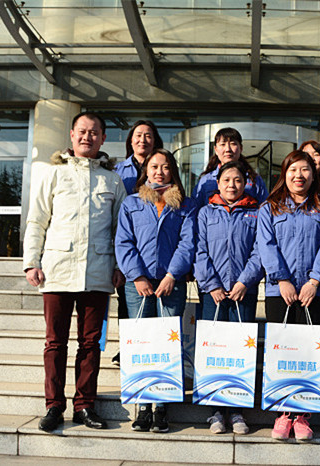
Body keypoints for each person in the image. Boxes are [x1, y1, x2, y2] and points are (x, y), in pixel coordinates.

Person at [23, 112, 127, 432]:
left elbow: (120, 230)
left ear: (103, 138)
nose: (87, 137)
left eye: (94, 132)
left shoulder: (112, 180)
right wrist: (32, 261)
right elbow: (37, 220)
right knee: (55, 343)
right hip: (57, 270)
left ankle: (85, 405)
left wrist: (119, 266)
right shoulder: (53, 174)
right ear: (71, 135)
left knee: (90, 344)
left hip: (97, 271)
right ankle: (54, 405)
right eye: (82, 131)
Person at [257, 150, 320, 441]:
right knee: (281, 352)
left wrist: (315, 281)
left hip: (312, 292)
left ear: (313, 175)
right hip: (279, 291)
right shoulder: (270, 207)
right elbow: (266, 245)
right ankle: (282, 413)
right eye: (293, 170)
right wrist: (282, 279)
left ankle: (302, 414)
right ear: (284, 174)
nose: (298, 175)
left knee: (307, 353)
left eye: (305, 170)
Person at [115, 148, 197, 434]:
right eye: (154, 167)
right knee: (141, 343)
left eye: (165, 167)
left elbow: (187, 243)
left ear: (173, 170)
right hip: (138, 285)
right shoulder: (132, 203)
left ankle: (161, 406)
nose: (159, 172)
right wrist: (137, 276)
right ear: (146, 171)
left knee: (166, 344)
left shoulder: (184, 204)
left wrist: (173, 275)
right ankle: (142, 405)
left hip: (171, 284)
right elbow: (124, 242)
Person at [193, 160, 264, 435]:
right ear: (218, 184)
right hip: (213, 293)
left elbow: (259, 251)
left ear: (245, 183)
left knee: (239, 350)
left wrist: (245, 281)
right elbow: (199, 251)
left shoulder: (256, 212)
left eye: (237, 180)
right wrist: (211, 284)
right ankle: (214, 411)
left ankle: (236, 410)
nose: (232, 185)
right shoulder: (205, 212)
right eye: (226, 180)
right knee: (214, 350)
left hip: (243, 292)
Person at [112, 120, 164, 367]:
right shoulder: (117, 170)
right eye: (138, 135)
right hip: (125, 244)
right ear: (130, 140)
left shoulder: (162, 167)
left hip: (154, 249)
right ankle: (128, 348)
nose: (143, 140)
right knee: (126, 299)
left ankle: (154, 352)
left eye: (148, 135)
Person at [191, 127, 268, 208]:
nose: (228, 149)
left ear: (241, 148)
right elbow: (195, 208)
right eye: (223, 144)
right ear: (216, 149)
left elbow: (265, 208)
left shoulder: (254, 179)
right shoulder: (206, 181)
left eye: (233, 144)